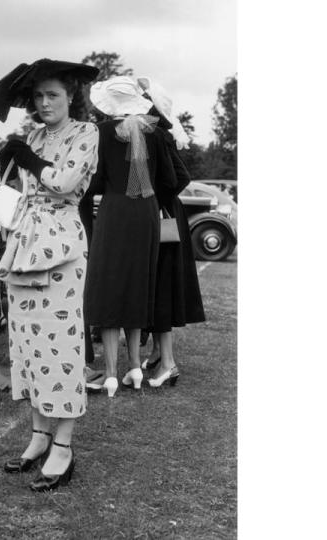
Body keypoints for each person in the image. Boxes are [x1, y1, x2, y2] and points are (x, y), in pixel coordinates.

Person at [0, 58, 99, 492]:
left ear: (71, 95)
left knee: (62, 346)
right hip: (25, 243)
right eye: (38, 96)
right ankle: (39, 437)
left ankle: (64, 445)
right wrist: (11, 160)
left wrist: (28, 158)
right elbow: (22, 189)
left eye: (53, 94)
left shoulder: (86, 133)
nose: (45, 102)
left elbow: (64, 181)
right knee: (28, 344)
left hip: (62, 245)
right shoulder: (33, 135)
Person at [80, 76, 179, 397]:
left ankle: (110, 373)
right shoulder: (157, 133)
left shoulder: (101, 133)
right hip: (146, 215)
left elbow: (92, 181)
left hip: (114, 212)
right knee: (138, 286)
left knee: (110, 288)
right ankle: (134, 367)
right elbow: (171, 179)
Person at [134, 76, 207, 387]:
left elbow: (181, 176)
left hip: (163, 216)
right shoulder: (157, 133)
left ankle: (168, 363)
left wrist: (158, 198)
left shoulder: (158, 135)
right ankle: (156, 355)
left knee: (161, 287)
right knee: (157, 286)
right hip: (165, 212)